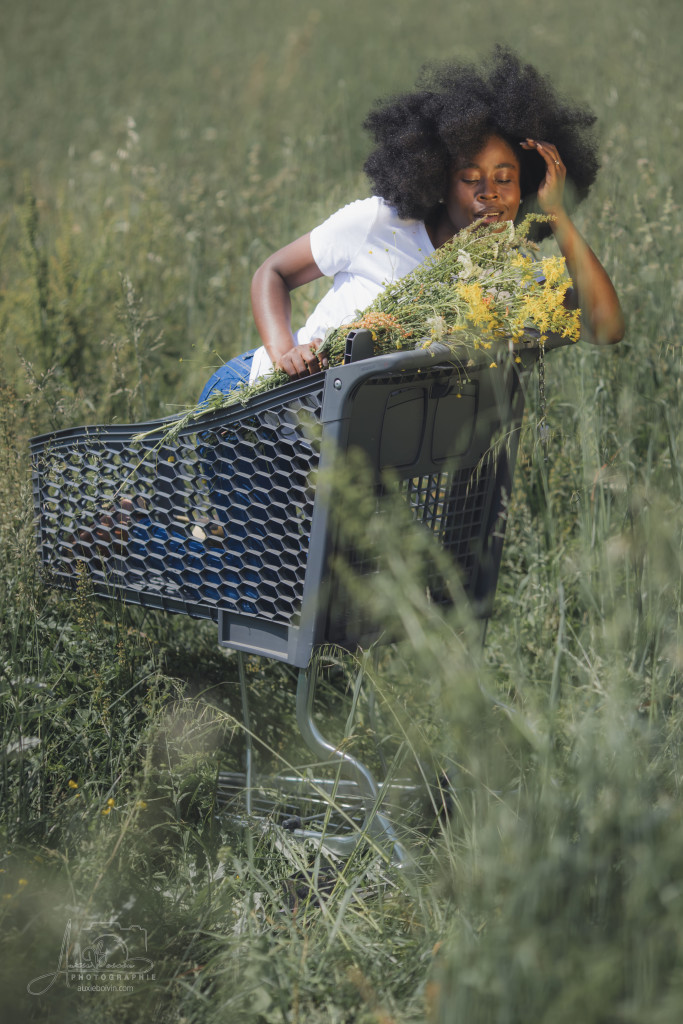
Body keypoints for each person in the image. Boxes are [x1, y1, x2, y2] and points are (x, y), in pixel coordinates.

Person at [199, 46, 623, 403]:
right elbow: (271, 273)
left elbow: (606, 326)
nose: (489, 192)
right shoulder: (378, 223)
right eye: (470, 178)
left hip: (344, 447)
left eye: (505, 179)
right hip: (257, 403)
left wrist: (558, 215)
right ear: (437, 178)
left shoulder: (505, 282)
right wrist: (284, 352)